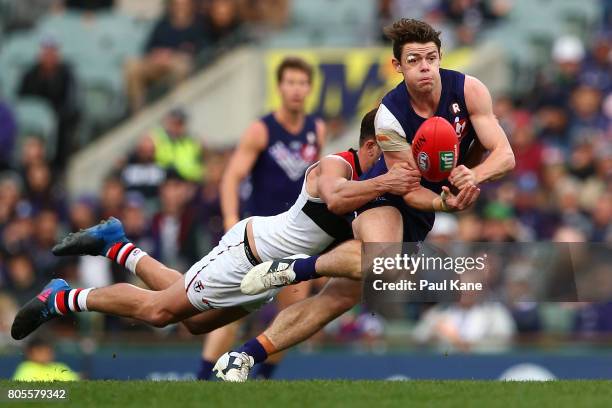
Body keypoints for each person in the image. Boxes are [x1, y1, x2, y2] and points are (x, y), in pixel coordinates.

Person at [214, 18, 515, 381]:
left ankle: (245, 356)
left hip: (426, 205)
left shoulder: (470, 91)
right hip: (389, 194)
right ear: (397, 66)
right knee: (383, 262)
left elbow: (505, 154)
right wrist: (442, 204)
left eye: (431, 58)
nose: (425, 68)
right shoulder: (390, 116)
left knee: (337, 301)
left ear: (440, 58)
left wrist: (473, 176)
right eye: (414, 60)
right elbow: (409, 191)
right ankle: (297, 268)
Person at [10, 111, 418, 350]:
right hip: (249, 255)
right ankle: (64, 298)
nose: (394, 164)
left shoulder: (371, 191)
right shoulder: (337, 165)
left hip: (266, 277)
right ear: (369, 147)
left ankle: (119, 247)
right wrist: (388, 183)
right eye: (389, 155)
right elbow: (334, 198)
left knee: (196, 321)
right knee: (160, 311)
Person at [199, 56, 325, 380]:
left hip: (299, 235)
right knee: (233, 311)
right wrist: (230, 219)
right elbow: (231, 177)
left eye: (302, 83)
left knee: (292, 313)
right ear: (280, 87)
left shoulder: (316, 130)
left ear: (309, 88)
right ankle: (201, 378)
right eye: (290, 82)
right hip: (260, 236)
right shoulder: (262, 129)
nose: (296, 90)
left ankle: (262, 379)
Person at [18, 35, 80, 172]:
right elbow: (22, 101)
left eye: (52, 51)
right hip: (33, 122)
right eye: (46, 51)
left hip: (59, 122)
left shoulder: (66, 74)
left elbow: (71, 103)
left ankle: (57, 170)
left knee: (63, 135)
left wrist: (53, 118)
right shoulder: (30, 74)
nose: (49, 55)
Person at [12, 337, 79, 381]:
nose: (45, 353)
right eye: (40, 351)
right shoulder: (26, 368)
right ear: (29, 353)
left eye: (48, 350)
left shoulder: (61, 367)